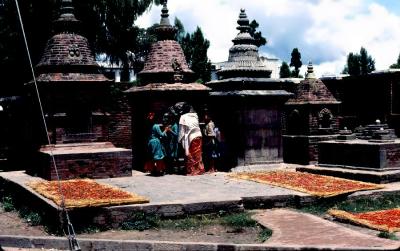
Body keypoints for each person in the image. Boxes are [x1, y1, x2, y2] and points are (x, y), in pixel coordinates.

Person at [175, 102, 205, 175]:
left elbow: (182, 131)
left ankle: (192, 171)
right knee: (198, 154)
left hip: (190, 137)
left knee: (190, 154)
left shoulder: (183, 117)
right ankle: (199, 169)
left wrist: (179, 140)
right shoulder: (195, 116)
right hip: (198, 135)